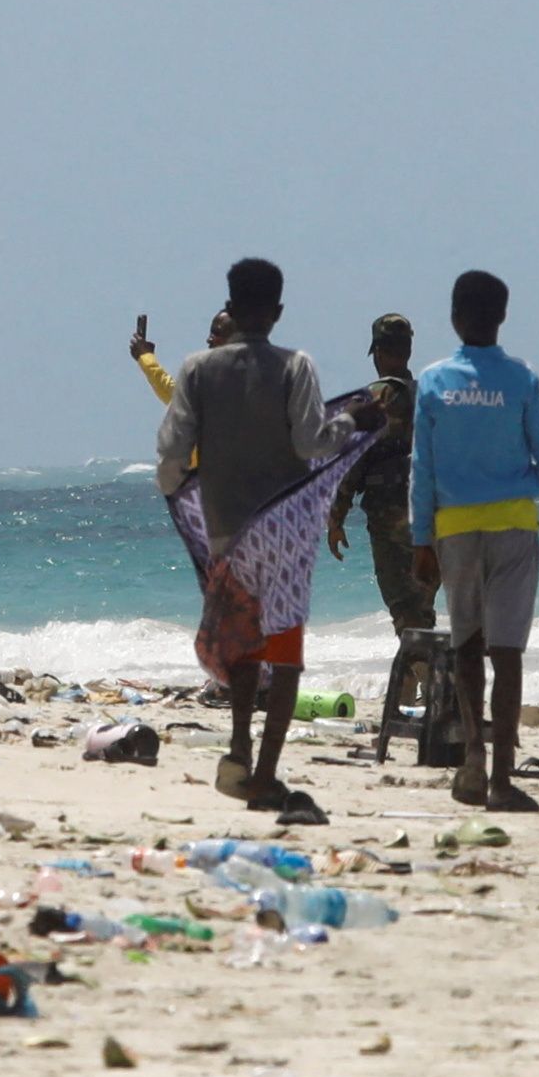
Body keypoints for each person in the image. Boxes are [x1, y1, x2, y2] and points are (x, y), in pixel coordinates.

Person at [144, 261, 331, 809]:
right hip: (288, 532)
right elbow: (314, 441)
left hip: (230, 530)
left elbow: (172, 453)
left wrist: (181, 495)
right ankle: (266, 775)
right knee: (285, 649)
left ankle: (239, 746)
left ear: (230, 303)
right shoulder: (297, 366)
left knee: (245, 648)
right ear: (276, 312)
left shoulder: (199, 369)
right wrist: (354, 425)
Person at [407, 268, 539, 813]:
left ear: (454, 317)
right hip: (515, 525)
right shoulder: (521, 379)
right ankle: (503, 779)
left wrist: (421, 540)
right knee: (507, 652)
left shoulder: (435, 382)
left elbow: (423, 467)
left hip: (456, 531)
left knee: (467, 646)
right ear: (503, 316)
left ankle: (472, 762)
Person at [325, 313, 441, 759]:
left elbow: (352, 460)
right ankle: (423, 698)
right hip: (437, 515)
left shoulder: (375, 398)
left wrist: (336, 516)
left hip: (392, 518)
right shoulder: (431, 395)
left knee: (404, 610)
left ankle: (423, 699)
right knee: (423, 611)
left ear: (378, 352)